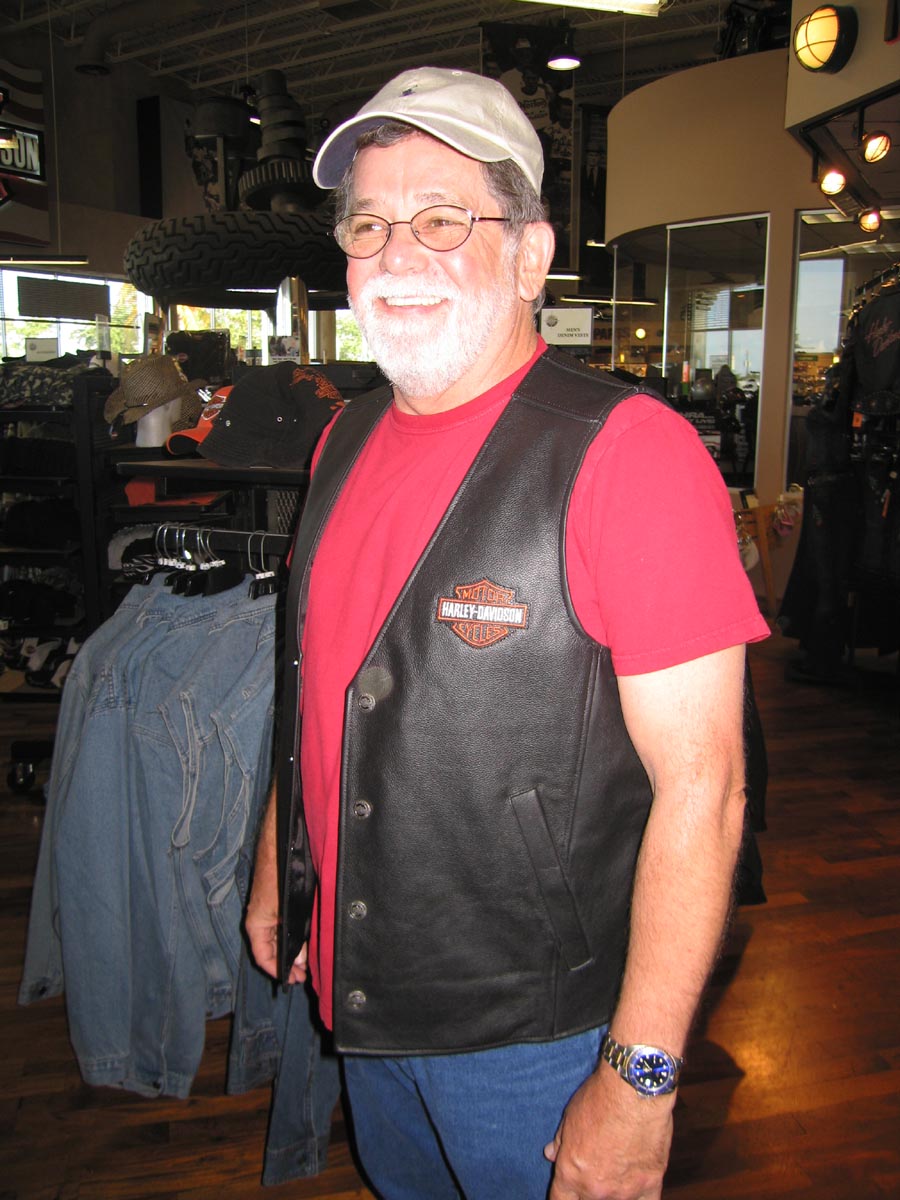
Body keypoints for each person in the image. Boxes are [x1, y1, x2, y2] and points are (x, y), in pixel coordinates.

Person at [246, 66, 769, 1200]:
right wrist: (286, 871)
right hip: (366, 992)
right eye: (370, 225)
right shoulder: (342, 437)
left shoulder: (629, 454)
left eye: (443, 219)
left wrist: (640, 1080)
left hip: (536, 1036)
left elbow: (708, 792)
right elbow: (320, 685)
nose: (397, 255)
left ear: (531, 255)